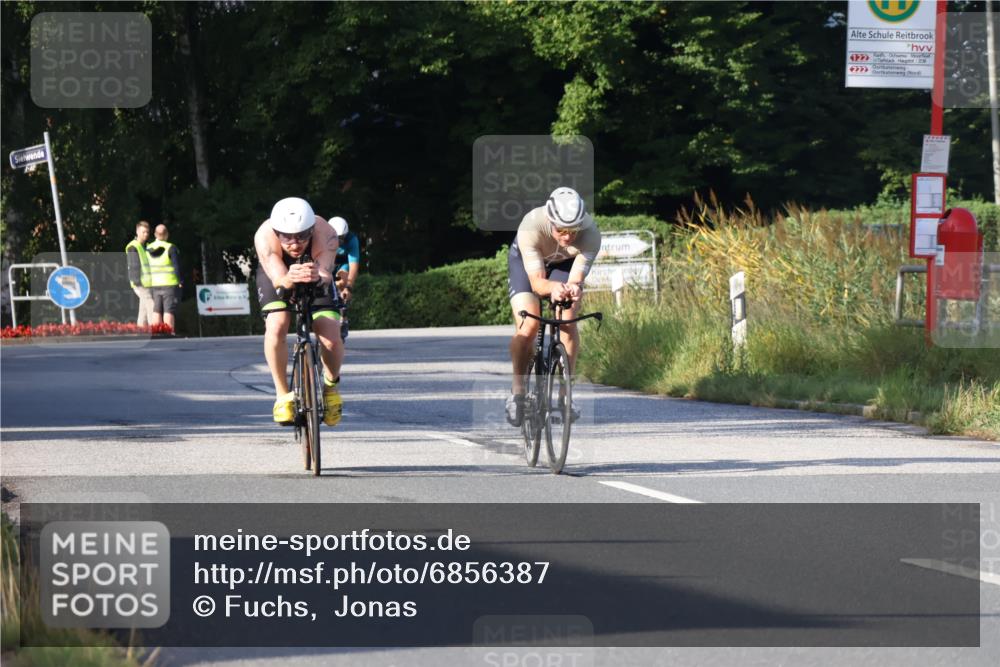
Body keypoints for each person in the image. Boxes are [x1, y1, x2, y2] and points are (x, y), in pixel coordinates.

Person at [505, 187, 601, 427]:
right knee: (529, 326)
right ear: (550, 221)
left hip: (564, 265)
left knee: (568, 319)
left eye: (573, 231)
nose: (567, 237)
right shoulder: (532, 225)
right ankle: (517, 393)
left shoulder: (591, 235)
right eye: (561, 230)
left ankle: (565, 396)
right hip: (527, 266)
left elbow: (575, 279)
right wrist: (552, 288)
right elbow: (537, 283)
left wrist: (572, 288)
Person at [255, 197, 344, 426]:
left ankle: (330, 387)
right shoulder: (264, 236)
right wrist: (288, 279)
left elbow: (325, 273)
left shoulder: (326, 231)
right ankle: (282, 394)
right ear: (277, 233)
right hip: (279, 274)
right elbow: (278, 278)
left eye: (303, 236)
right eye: (286, 237)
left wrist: (317, 275)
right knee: (277, 324)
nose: (295, 243)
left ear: (312, 229)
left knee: (332, 336)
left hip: (316, 274)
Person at [146, 224, 182, 332]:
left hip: (154, 284)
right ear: (166, 234)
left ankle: (157, 333)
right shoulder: (170, 248)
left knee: (156, 310)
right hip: (169, 284)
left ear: (155, 234)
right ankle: (168, 332)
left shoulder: (148, 248)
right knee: (168, 310)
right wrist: (180, 280)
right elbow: (176, 266)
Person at [125, 221, 154, 326]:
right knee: (151, 304)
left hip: (147, 283)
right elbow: (133, 265)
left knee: (144, 308)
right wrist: (137, 282)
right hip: (140, 282)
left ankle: (140, 329)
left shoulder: (147, 246)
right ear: (137, 232)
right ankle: (155, 328)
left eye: (147, 232)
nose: (146, 234)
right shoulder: (133, 246)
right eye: (143, 232)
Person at [329, 216, 360, 305]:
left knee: (341, 282)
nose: (339, 241)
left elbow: (353, 267)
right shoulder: (322, 238)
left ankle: (343, 308)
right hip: (328, 263)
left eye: (342, 237)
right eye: (336, 237)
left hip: (343, 264)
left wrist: (349, 287)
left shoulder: (351, 240)